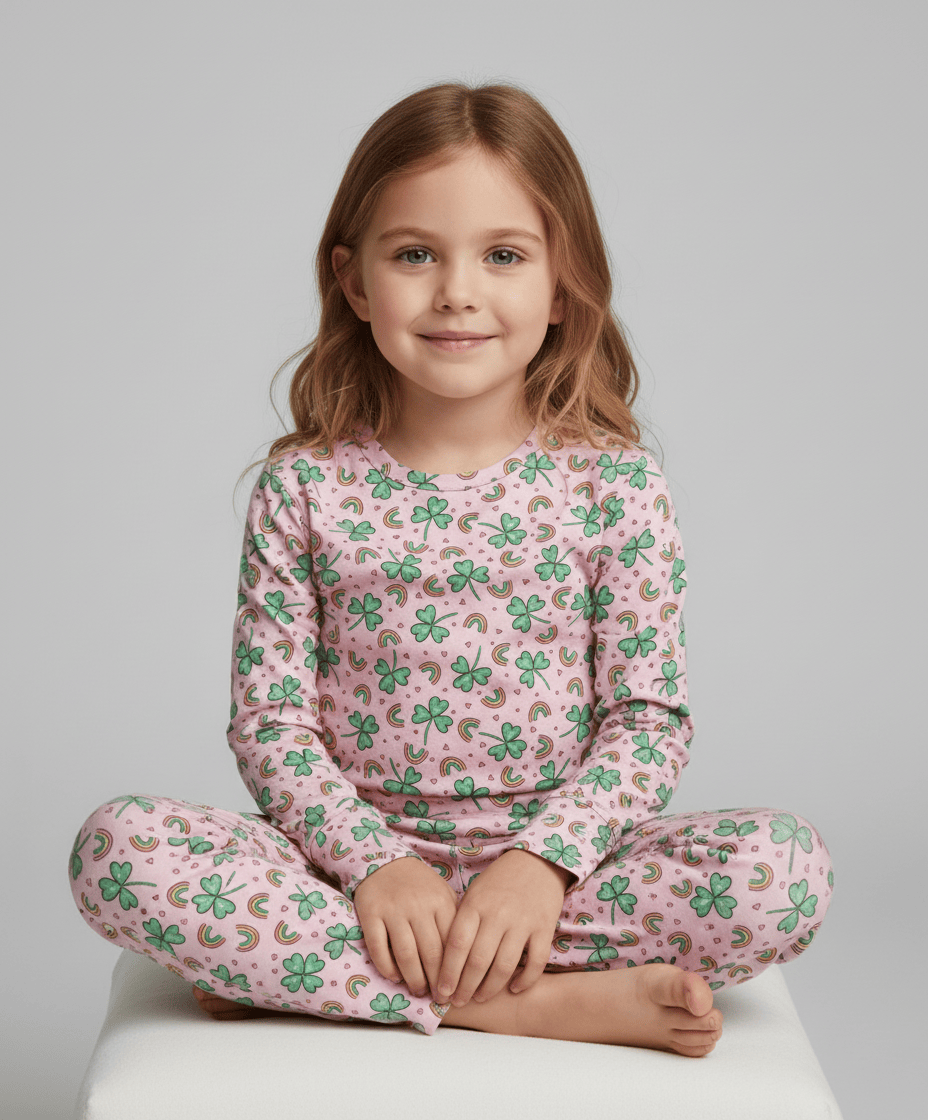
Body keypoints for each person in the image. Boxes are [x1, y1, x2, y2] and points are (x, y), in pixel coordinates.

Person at [69, 81, 833, 1057]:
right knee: (119, 853)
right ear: (354, 282)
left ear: (563, 286)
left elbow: (647, 720)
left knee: (782, 872)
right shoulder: (304, 486)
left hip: (560, 877)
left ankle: (317, 980)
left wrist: (542, 865)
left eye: (503, 255)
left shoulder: (616, 484)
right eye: (415, 254)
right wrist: (373, 866)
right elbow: (270, 724)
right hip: (348, 872)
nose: (457, 292)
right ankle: (526, 1006)